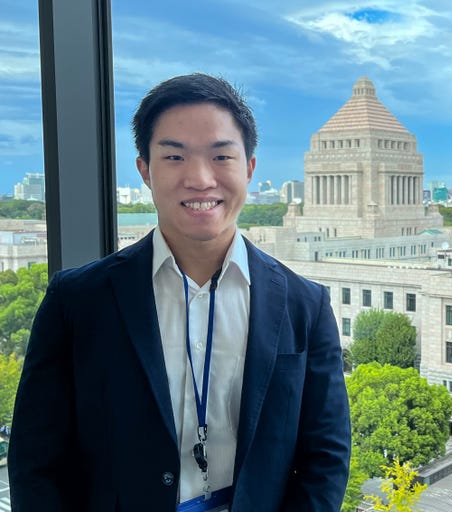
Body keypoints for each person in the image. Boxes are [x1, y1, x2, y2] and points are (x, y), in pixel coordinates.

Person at [9, 73, 351, 511]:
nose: (200, 178)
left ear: (249, 168)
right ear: (145, 171)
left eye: (221, 156)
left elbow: (326, 457)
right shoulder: (77, 301)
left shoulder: (305, 305)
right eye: (174, 156)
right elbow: (35, 461)